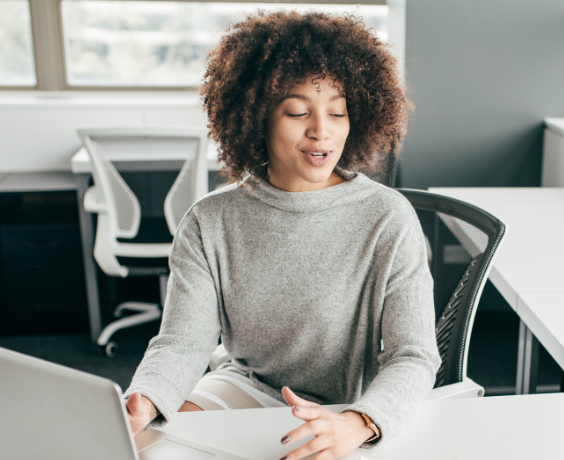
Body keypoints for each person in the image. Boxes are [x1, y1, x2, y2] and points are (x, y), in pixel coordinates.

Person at [122, 10, 440, 460]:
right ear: (256, 117)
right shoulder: (210, 221)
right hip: (245, 385)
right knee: (152, 445)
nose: (321, 130)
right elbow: (183, 343)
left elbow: (414, 354)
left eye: (337, 111)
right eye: (297, 111)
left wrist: (361, 423)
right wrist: (147, 399)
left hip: (349, 404)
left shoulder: (388, 218)